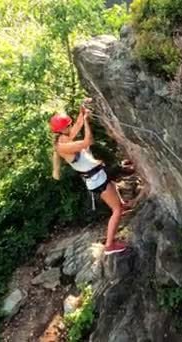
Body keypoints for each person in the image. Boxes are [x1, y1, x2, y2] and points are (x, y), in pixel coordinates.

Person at [50, 102, 127, 255]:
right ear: (62, 129)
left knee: (118, 200)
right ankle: (109, 245)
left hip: (98, 176)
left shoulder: (65, 137)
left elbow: (77, 126)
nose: (71, 127)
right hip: (96, 180)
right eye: (68, 125)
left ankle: (124, 207)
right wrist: (86, 122)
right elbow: (88, 141)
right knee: (116, 210)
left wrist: (82, 114)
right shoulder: (63, 147)